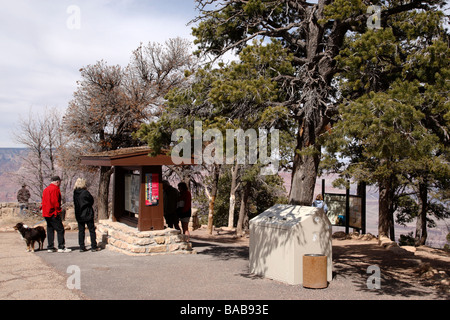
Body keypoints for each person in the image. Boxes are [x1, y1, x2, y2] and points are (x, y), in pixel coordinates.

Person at [41, 176, 71, 253]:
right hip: (53, 212)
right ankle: (61, 247)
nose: (60, 183)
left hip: (46, 213)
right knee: (60, 229)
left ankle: (50, 247)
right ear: (57, 182)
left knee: (50, 229)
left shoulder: (46, 189)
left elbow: (44, 201)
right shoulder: (55, 189)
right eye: (59, 182)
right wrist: (58, 210)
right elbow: (55, 202)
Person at [73, 178, 99, 252]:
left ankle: (81, 246)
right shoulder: (85, 192)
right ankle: (93, 246)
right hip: (87, 213)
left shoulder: (75, 192)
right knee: (91, 230)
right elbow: (91, 201)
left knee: (81, 230)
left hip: (79, 213)